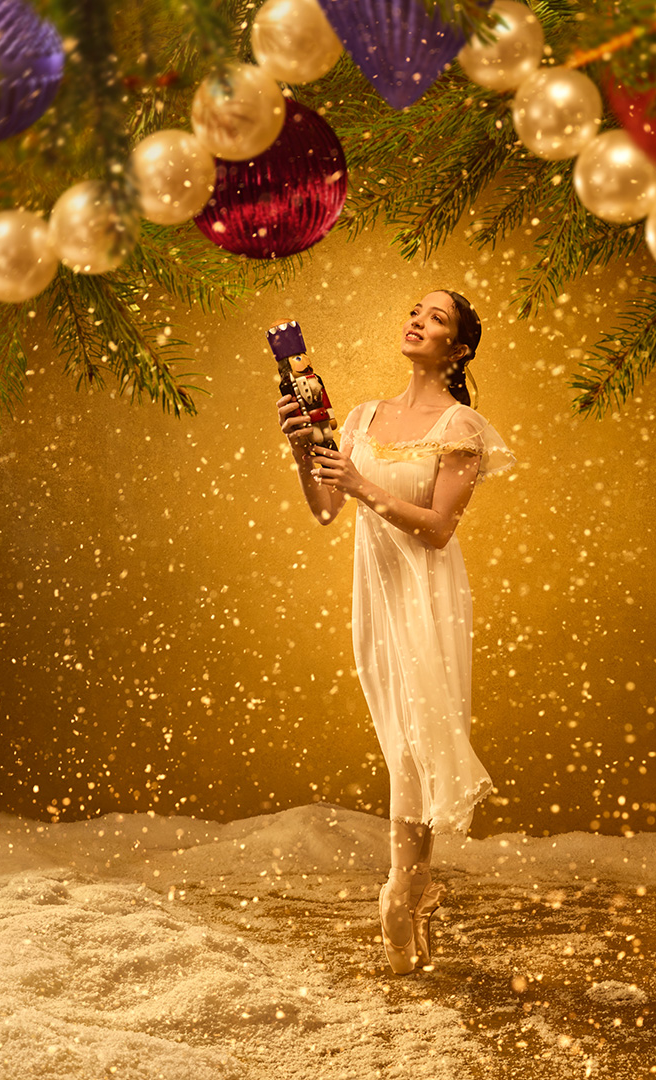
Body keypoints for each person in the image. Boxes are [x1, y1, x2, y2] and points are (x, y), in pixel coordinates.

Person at [274, 289, 517, 975]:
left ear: (458, 349)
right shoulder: (359, 417)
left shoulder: (461, 426)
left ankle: (400, 893)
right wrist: (303, 448)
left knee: (420, 738)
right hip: (376, 595)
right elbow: (327, 509)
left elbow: (438, 529)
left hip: (428, 594)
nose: (417, 320)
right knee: (402, 740)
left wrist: (361, 484)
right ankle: (415, 889)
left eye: (436, 318)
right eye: (415, 310)